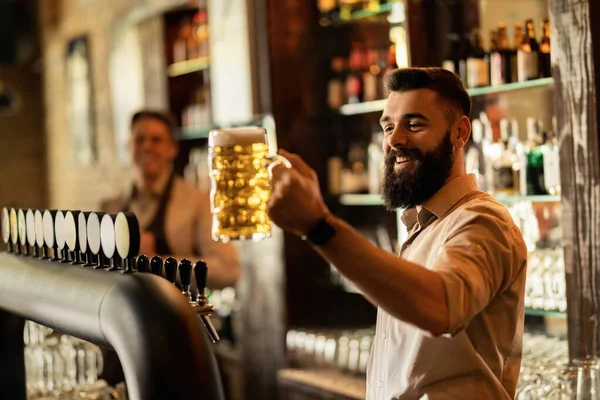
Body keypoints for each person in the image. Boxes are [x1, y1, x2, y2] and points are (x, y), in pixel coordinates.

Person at [267, 68, 527, 399]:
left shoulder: (482, 221)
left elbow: (443, 307)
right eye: (388, 126)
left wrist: (319, 227)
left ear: (460, 132)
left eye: (414, 124)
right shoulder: (422, 226)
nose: (394, 140)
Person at [102, 110, 240, 290]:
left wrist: (156, 262)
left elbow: (228, 271)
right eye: (139, 139)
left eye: (156, 140)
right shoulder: (111, 207)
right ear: (128, 147)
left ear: (172, 149)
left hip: (178, 316)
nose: (147, 147)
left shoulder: (197, 201)